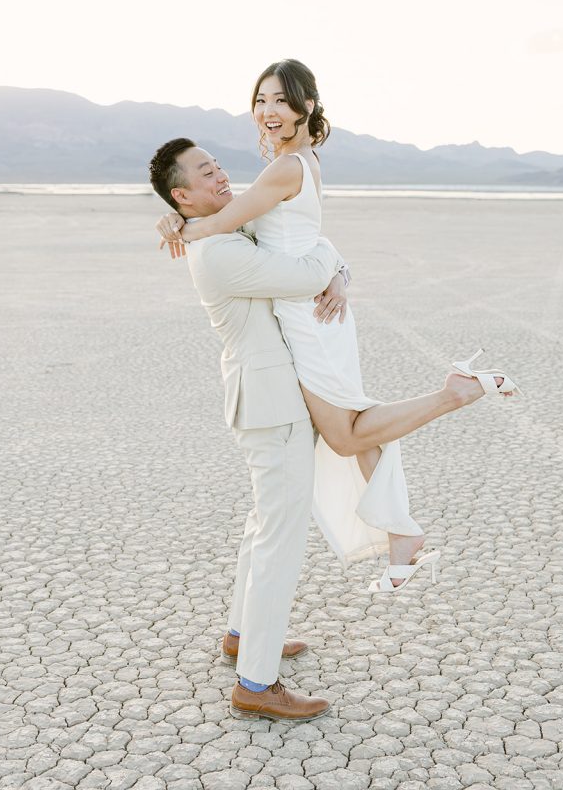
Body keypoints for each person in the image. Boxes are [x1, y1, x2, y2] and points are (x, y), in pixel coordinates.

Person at [157, 60, 519, 596]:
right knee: (354, 424)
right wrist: (339, 272)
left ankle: (456, 394)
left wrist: (176, 221)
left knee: (346, 435)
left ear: (306, 103)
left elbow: (217, 225)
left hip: (307, 316)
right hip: (312, 312)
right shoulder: (296, 162)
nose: (268, 111)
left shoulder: (285, 169)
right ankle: (402, 536)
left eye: (280, 100)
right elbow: (302, 237)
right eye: (260, 101)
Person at [150, 137, 349, 722]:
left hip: (264, 398)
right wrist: (332, 264)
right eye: (206, 174)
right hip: (272, 406)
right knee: (279, 542)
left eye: (218, 167)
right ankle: (257, 682)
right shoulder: (220, 251)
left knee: (263, 526)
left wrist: (332, 261)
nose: (221, 177)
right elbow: (306, 266)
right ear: (182, 194)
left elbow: (304, 246)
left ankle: (242, 634)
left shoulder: (224, 233)